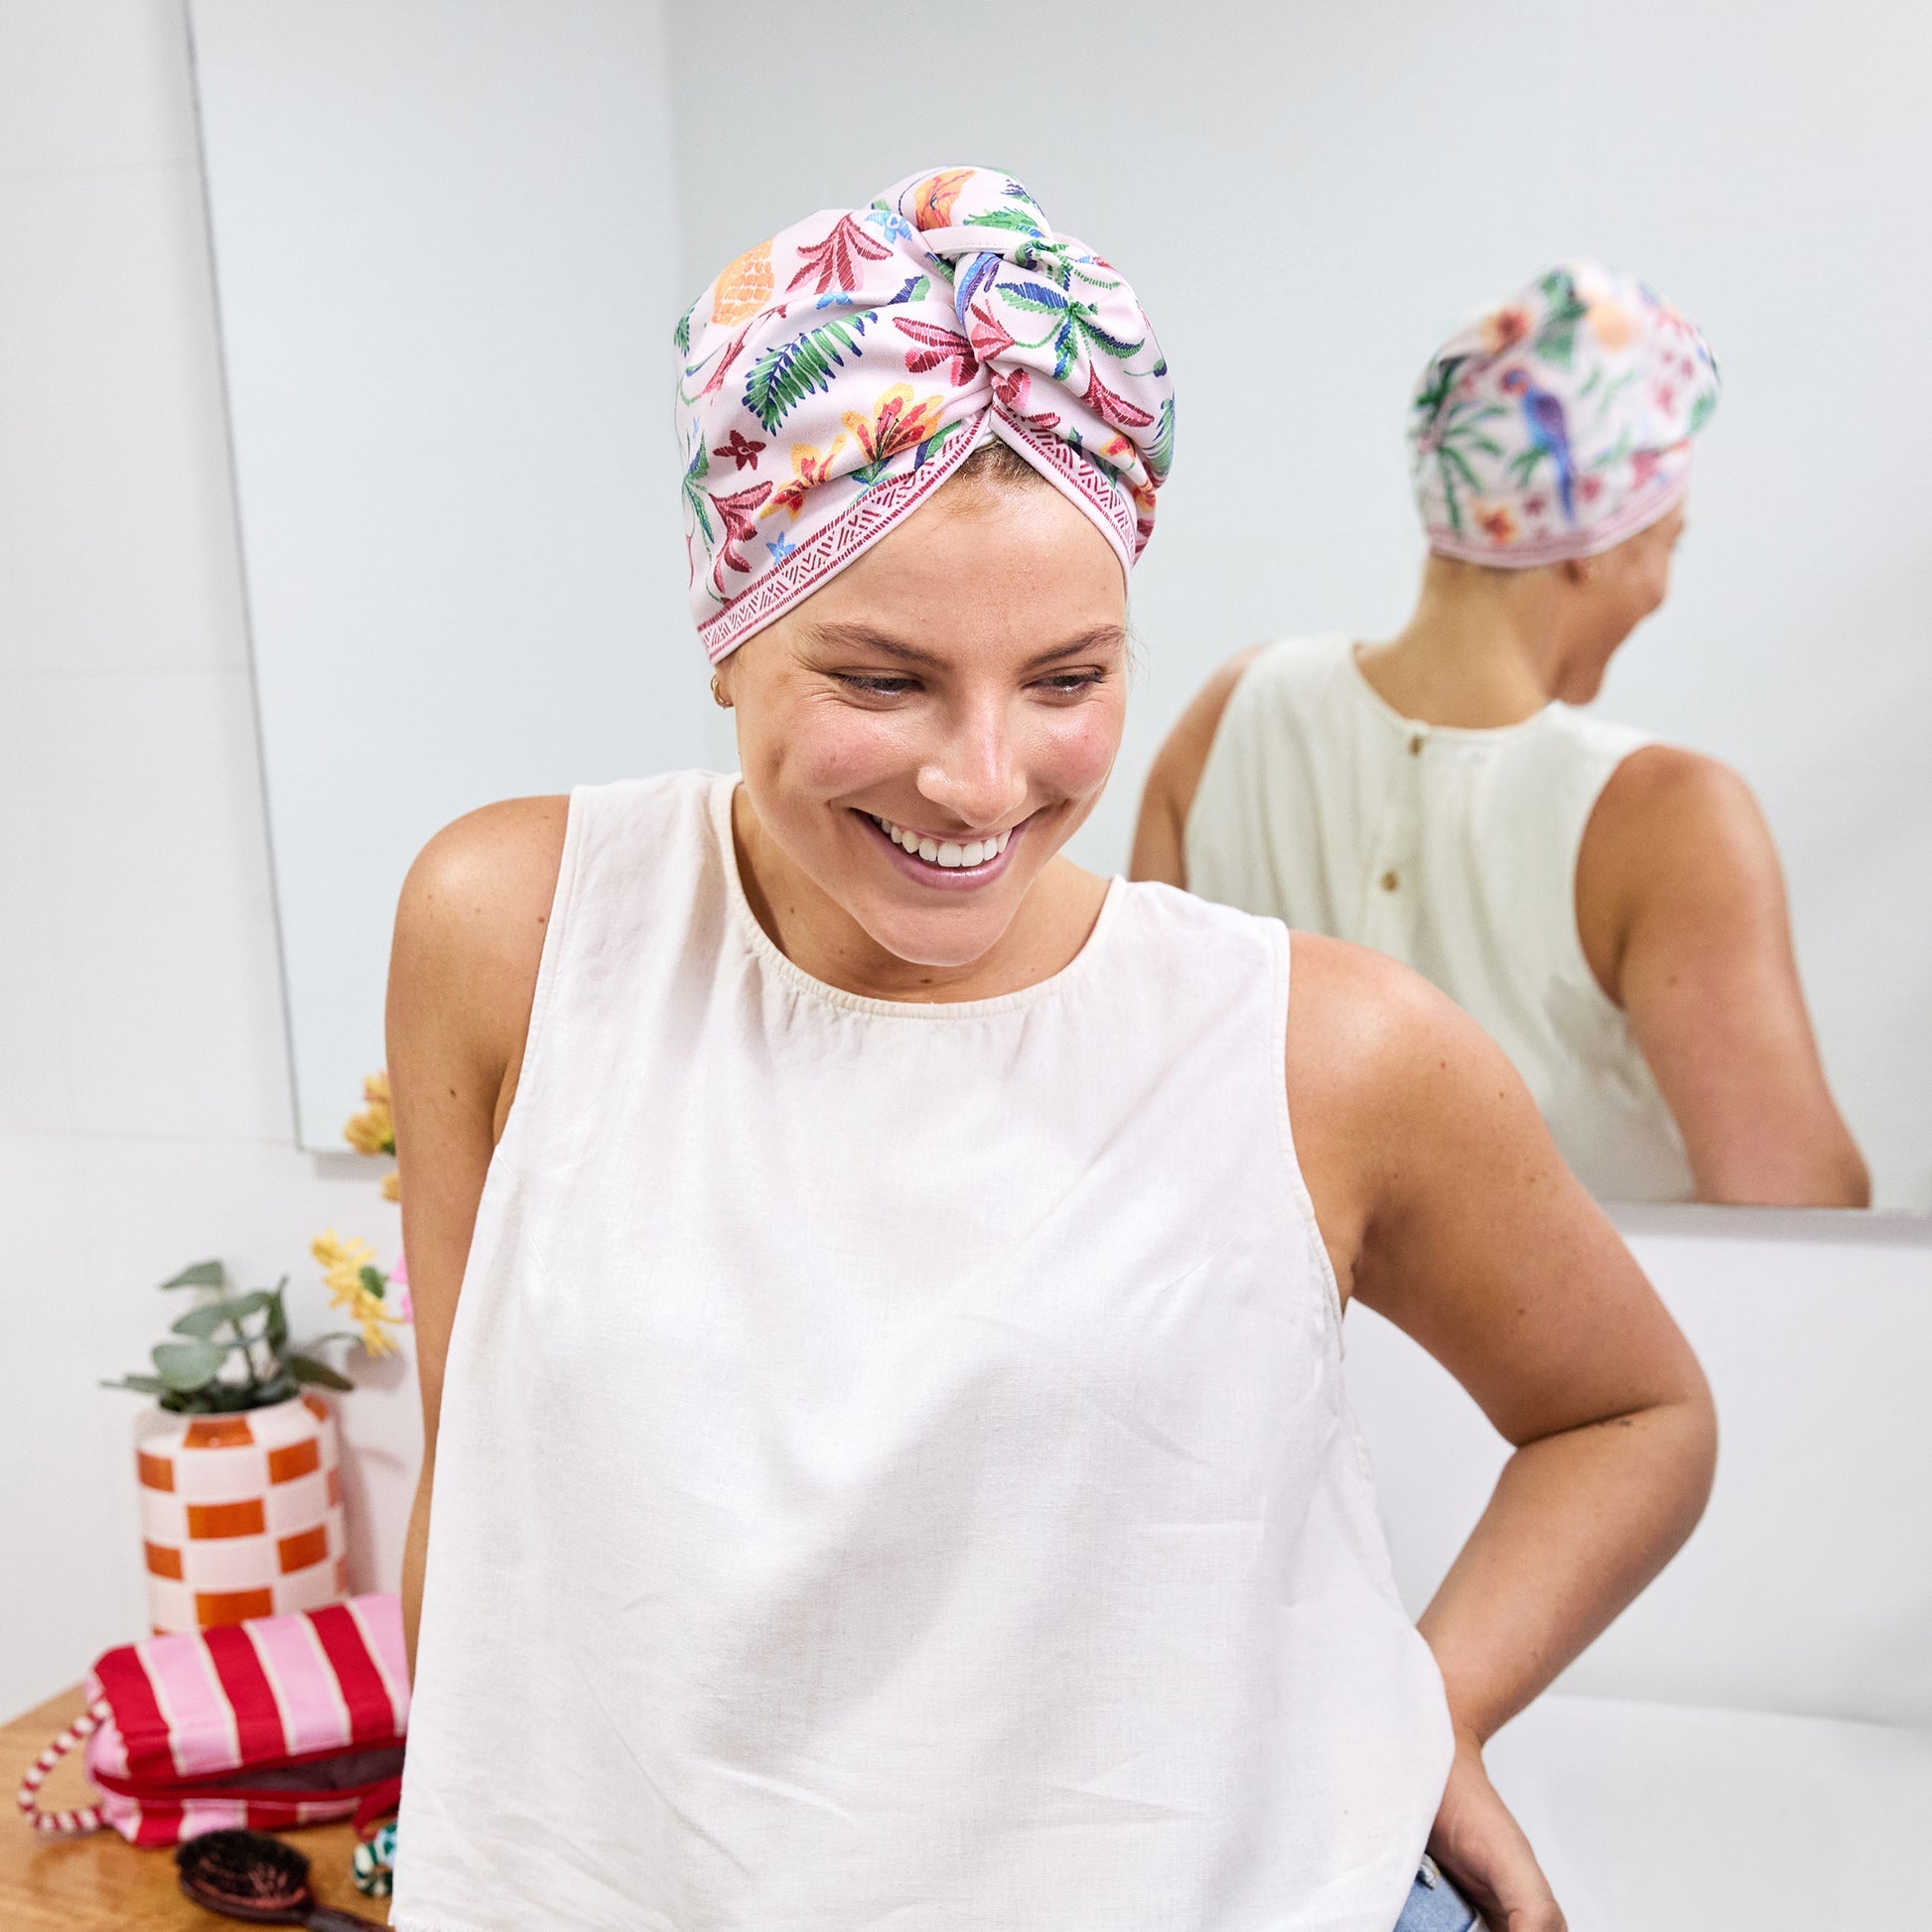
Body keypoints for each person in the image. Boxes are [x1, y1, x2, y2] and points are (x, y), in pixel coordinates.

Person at [386, 178, 1716, 1932]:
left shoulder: (1319, 1051)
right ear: (726, 630)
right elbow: (483, 1508)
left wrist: (1432, 1708)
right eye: (882, 679)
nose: (981, 779)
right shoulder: (520, 930)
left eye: (1069, 677)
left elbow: (1631, 1412)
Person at [1134, 263, 1867, 1207]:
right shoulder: (1673, 820)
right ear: (1595, 545)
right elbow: (1804, 1215)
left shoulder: (1231, 716)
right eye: (1667, 543)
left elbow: (1143, 1109)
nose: (1663, 586)